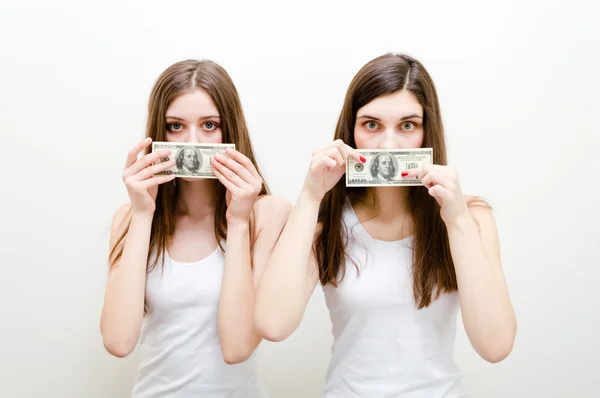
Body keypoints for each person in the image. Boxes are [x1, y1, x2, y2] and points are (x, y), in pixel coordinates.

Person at [255, 53, 517, 397]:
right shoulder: (326, 224)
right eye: (372, 125)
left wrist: (456, 220)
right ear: (351, 131)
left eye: (407, 126)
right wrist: (310, 195)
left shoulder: (470, 218)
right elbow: (273, 324)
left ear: (427, 132)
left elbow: (495, 346)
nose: (389, 144)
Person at [100, 59, 290, 398]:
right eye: (175, 126)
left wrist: (237, 222)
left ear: (229, 129)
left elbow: (237, 348)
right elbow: (118, 341)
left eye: (209, 125)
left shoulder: (267, 214)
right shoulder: (129, 218)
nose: (192, 142)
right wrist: (143, 214)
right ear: (159, 132)